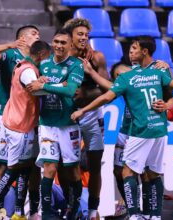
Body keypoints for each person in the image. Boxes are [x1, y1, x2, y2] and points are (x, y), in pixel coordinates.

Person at [71, 36, 173, 220]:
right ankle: (151, 215)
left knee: (129, 172)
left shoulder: (138, 75)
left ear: (144, 51)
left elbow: (108, 95)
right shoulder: (158, 72)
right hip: (152, 129)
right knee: (145, 172)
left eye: (134, 48)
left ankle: (134, 214)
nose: (130, 52)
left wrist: (83, 109)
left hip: (139, 130)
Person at [0, 40, 51, 220]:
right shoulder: (28, 70)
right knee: (13, 166)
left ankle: (19, 210)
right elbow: (34, 90)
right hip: (19, 126)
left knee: (26, 166)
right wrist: (52, 87)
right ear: (42, 55)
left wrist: (41, 81)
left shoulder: (24, 66)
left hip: (19, 123)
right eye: (47, 58)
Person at [28, 29, 84, 220]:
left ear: (70, 45)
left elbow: (70, 91)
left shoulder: (76, 65)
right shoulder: (43, 64)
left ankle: (74, 208)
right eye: (56, 42)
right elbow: (31, 86)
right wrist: (40, 81)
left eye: (63, 43)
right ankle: (47, 214)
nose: (59, 46)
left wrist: (44, 85)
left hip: (68, 124)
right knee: (49, 168)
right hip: (47, 124)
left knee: (73, 171)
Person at [63, 18, 109, 219]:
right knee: (67, 165)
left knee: (94, 164)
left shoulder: (96, 57)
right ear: (70, 37)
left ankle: (92, 209)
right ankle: (73, 203)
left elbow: (109, 87)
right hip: (68, 116)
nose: (83, 38)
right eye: (79, 34)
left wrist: (87, 94)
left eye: (86, 35)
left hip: (92, 115)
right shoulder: (62, 58)